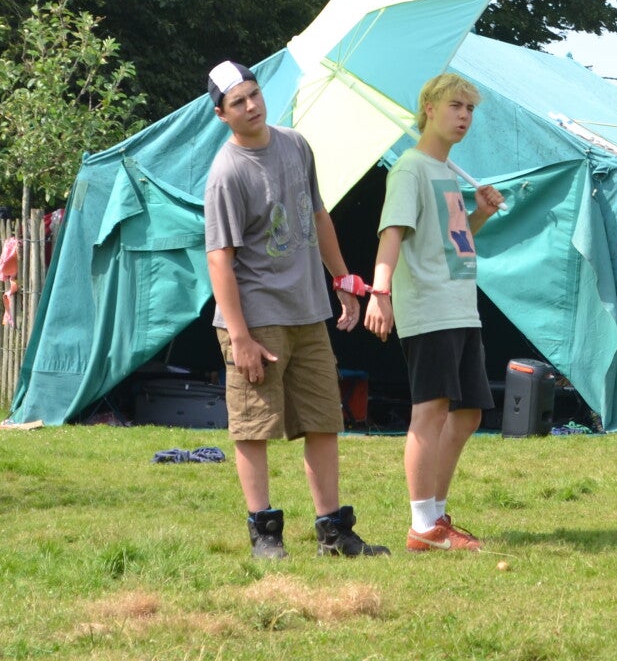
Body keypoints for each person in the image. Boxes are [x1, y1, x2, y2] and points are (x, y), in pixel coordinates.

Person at [202, 60, 388, 560]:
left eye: (254, 94)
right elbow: (219, 259)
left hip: (308, 312)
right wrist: (240, 337)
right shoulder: (226, 174)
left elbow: (318, 215)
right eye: (238, 102)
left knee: (323, 421)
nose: (251, 106)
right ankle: (264, 535)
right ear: (221, 114)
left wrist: (342, 280)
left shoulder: (296, 145)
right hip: (256, 318)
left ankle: (334, 533)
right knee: (254, 428)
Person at [364, 73, 504, 552]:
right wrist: (379, 292)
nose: (464, 116)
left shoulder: (446, 172)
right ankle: (422, 525)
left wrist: (479, 214)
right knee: (430, 411)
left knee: (467, 416)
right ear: (429, 108)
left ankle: (437, 518)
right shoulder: (409, 169)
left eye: (470, 109)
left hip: (461, 307)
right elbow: (392, 234)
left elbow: (452, 245)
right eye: (455, 106)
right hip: (429, 308)